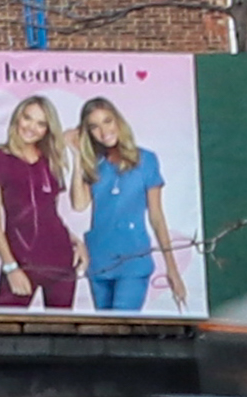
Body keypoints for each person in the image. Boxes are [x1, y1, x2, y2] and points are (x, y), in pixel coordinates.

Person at [0, 92, 79, 313]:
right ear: (17, 118)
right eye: (28, 118)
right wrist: (10, 266)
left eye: (41, 123)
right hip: (21, 260)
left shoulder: (50, 160)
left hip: (60, 260)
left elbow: (49, 212)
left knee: (61, 335)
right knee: (3, 330)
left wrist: (77, 242)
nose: (31, 127)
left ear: (47, 129)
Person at [75, 94, 175, 315]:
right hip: (99, 257)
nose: (103, 131)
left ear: (118, 121)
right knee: (105, 331)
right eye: (94, 126)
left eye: (107, 121)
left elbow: (156, 217)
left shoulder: (146, 160)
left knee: (122, 323)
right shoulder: (93, 164)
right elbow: (79, 204)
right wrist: (76, 156)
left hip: (133, 257)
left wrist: (172, 269)